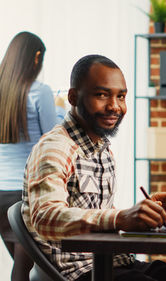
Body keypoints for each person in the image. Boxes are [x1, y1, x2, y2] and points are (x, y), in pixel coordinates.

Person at [21, 54, 166, 281]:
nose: (114, 106)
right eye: (102, 95)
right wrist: (120, 218)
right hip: (83, 272)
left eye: (121, 96)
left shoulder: (101, 148)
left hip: (117, 262)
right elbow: (45, 217)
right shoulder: (56, 148)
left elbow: (95, 212)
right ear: (74, 97)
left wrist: (141, 212)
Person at [0, 31, 65, 281]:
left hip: (1, 195)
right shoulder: (39, 91)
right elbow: (51, 139)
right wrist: (60, 107)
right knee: (23, 268)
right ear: (37, 57)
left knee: (22, 264)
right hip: (25, 194)